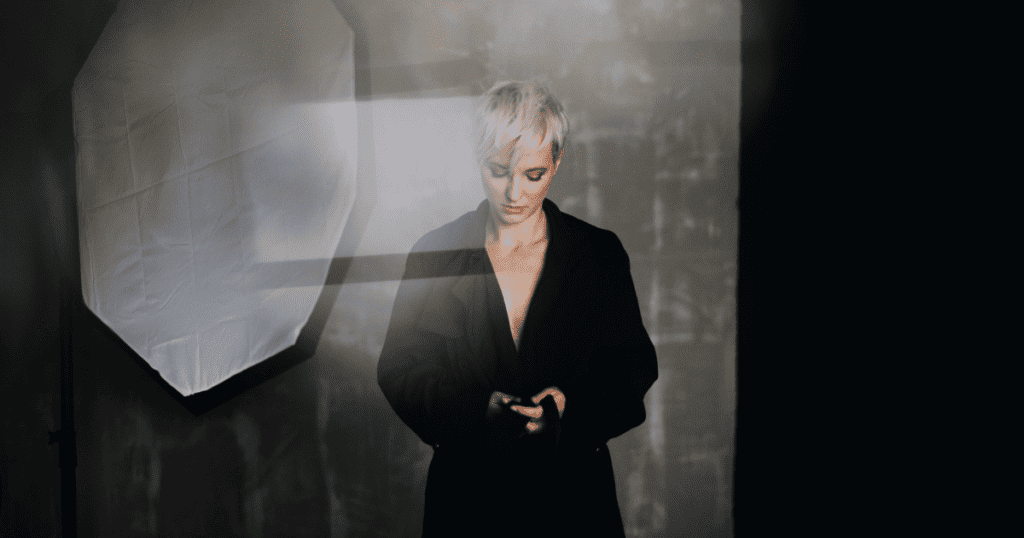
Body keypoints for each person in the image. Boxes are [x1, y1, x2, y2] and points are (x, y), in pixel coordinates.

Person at [377, 80, 658, 537]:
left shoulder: (597, 255)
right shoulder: (435, 253)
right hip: (466, 505)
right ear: (477, 159)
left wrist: (568, 409)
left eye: (533, 175)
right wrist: (478, 409)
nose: (513, 193)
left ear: (557, 162)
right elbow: (399, 371)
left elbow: (633, 370)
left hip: (575, 503)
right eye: (497, 170)